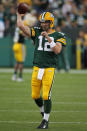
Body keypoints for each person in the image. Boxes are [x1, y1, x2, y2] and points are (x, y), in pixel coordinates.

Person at [17, 11, 66, 128]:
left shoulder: (59, 35)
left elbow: (58, 51)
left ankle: (45, 121)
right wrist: (19, 15)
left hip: (49, 68)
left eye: (45, 22)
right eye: (42, 22)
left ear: (51, 22)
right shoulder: (37, 31)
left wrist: (48, 37)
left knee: (46, 95)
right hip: (37, 67)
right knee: (34, 95)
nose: (43, 24)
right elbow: (21, 27)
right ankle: (43, 112)